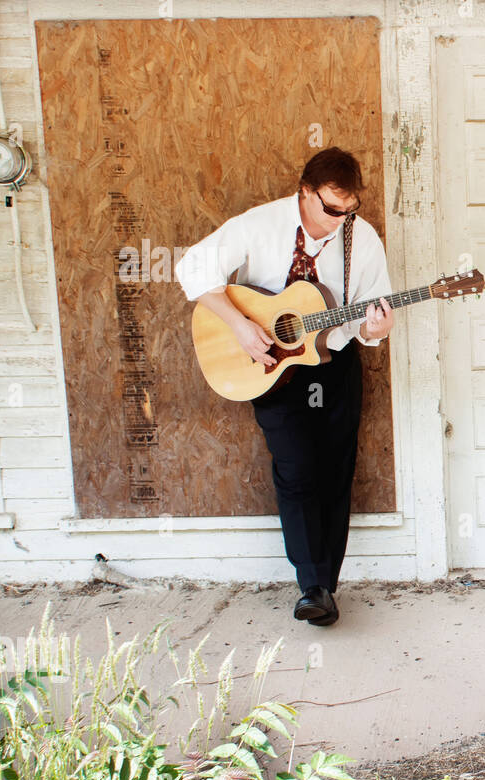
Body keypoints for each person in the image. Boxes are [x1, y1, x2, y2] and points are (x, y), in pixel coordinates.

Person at [176, 147, 394, 627]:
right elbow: (192, 267)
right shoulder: (260, 224)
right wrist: (237, 325)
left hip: (333, 363)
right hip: (271, 364)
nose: (339, 220)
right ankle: (310, 584)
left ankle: (325, 587)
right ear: (305, 192)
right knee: (296, 469)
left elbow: (368, 321)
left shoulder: (363, 238)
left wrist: (376, 328)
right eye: (330, 209)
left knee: (336, 471)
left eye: (348, 210)